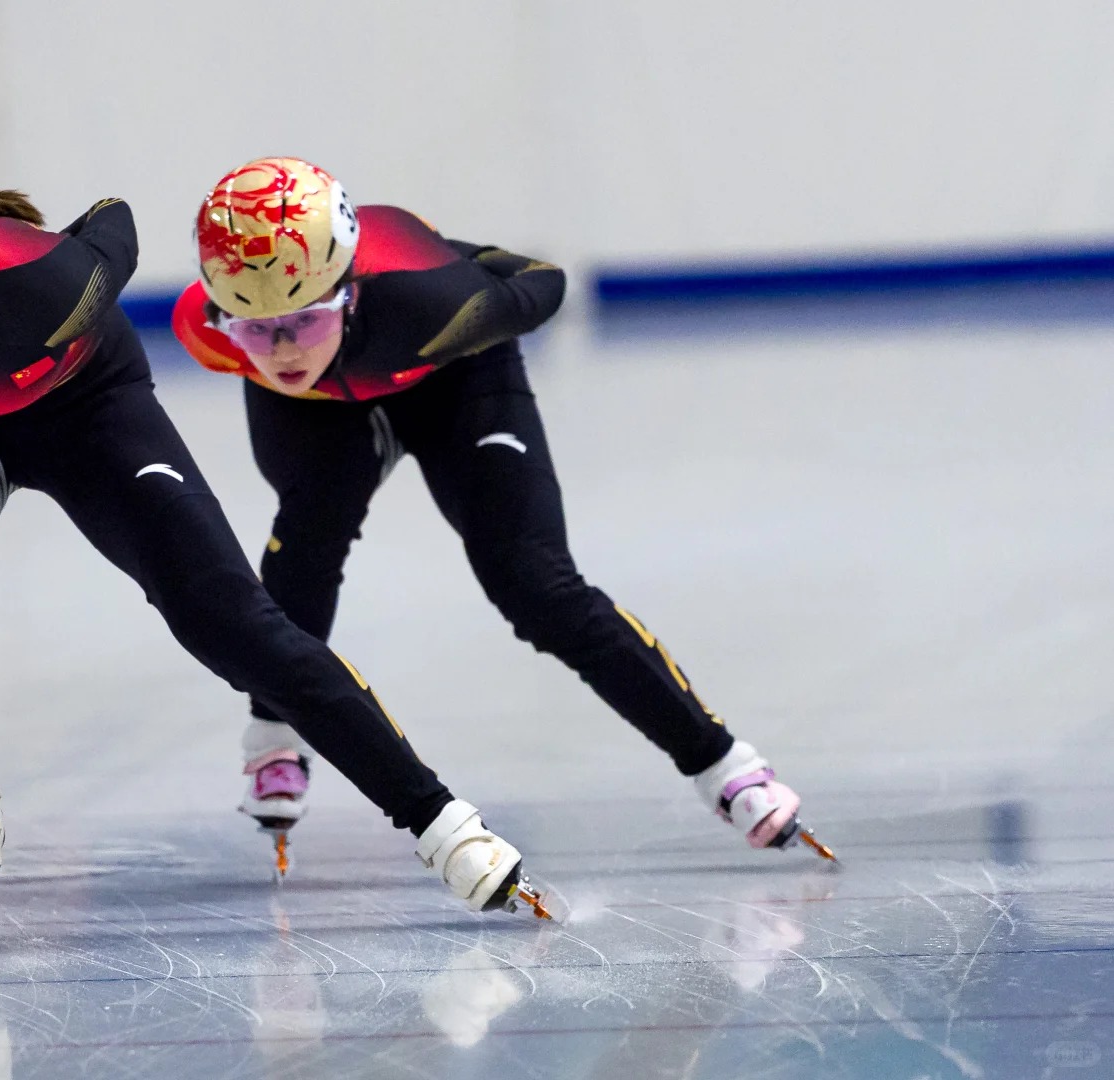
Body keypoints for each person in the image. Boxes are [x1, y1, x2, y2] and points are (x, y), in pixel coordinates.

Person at [0, 168, 558, 932]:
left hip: (81, 406)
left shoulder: (53, 283)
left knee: (230, 620)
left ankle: (442, 822)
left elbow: (114, 221)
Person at [172, 157, 833, 863]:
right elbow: (264, 340)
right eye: (253, 328)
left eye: (304, 322)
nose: (280, 349)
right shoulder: (204, 330)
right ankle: (274, 738)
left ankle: (724, 764)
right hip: (320, 410)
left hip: (455, 375)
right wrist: (281, 334)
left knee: (536, 586)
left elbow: (543, 281)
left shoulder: (438, 300)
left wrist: (462, 253)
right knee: (308, 538)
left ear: (349, 293)